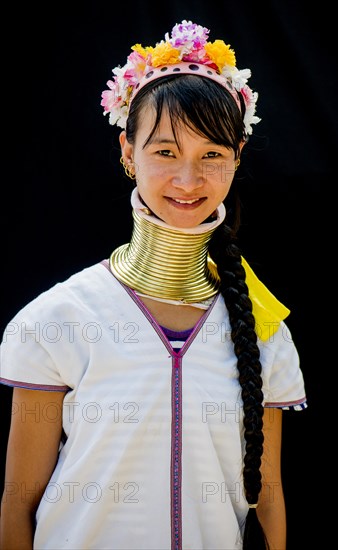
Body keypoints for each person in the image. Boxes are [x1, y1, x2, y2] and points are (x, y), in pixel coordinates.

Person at [0, 19, 307, 550]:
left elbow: (271, 496)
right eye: (165, 152)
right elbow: (18, 500)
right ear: (127, 151)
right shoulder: (58, 320)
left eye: (212, 154)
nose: (188, 181)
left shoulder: (263, 330)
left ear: (237, 158)